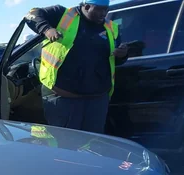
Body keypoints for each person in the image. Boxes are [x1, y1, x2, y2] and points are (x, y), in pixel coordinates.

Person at [25, 0, 128, 133]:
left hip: (97, 100)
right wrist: (47, 29)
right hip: (64, 98)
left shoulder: (111, 27)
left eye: (106, 9)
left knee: (93, 141)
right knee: (66, 141)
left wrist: (122, 55)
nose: (104, 13)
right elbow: (31, 14)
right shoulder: (62, 15)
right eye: (100, 9)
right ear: (87, 6)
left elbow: (113, 60)